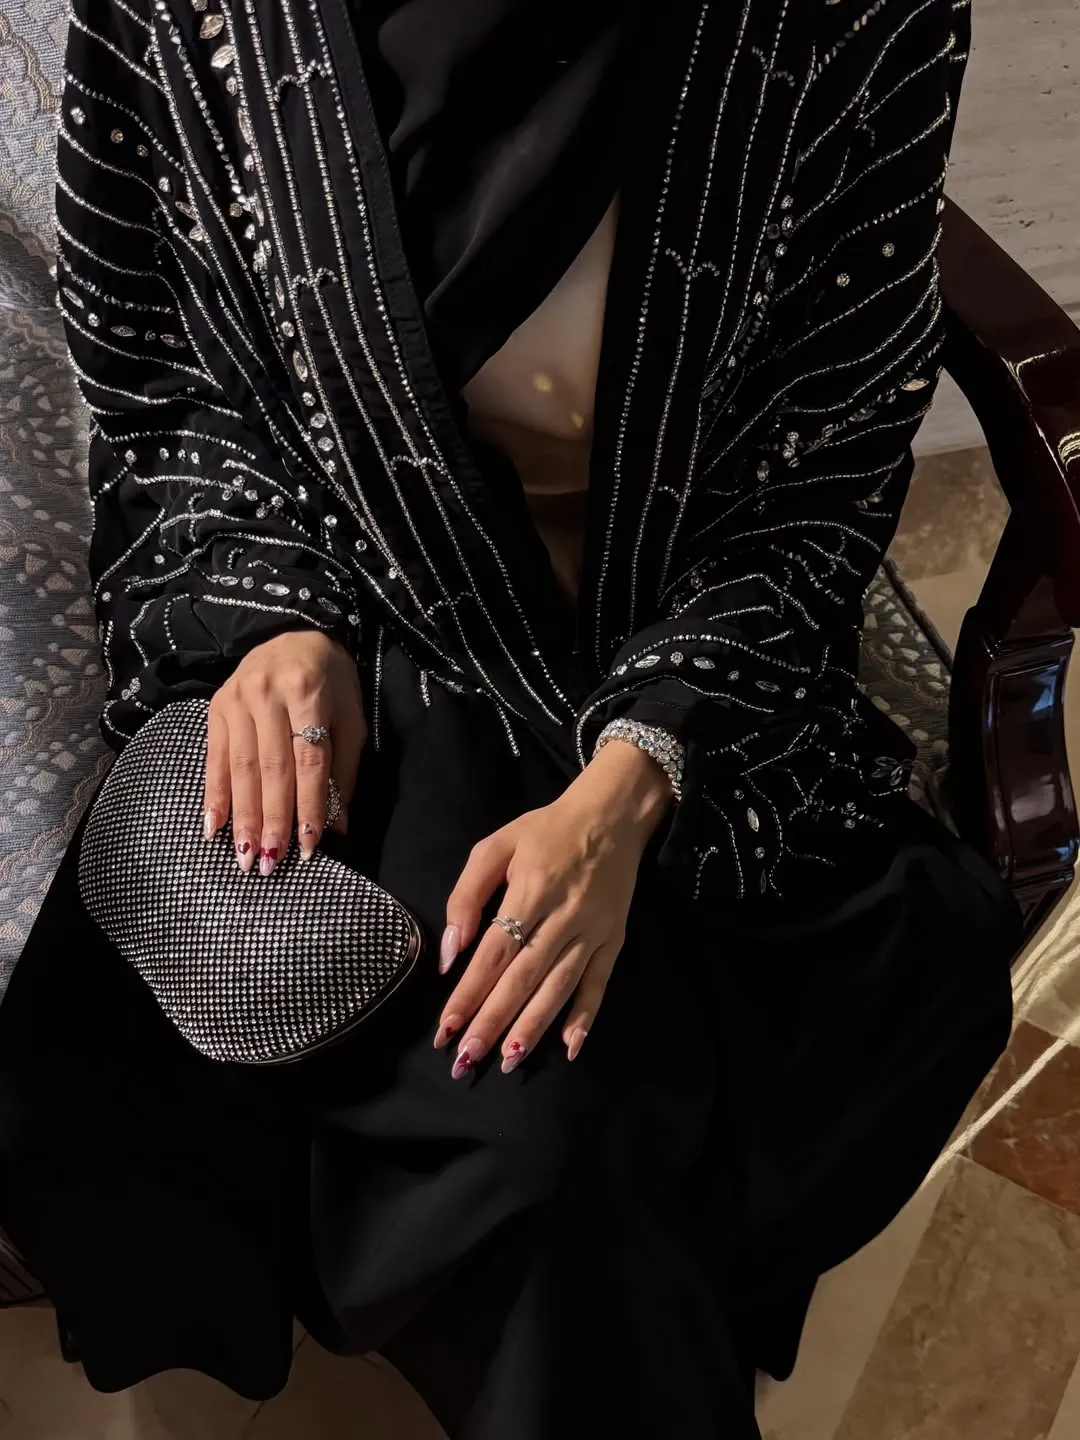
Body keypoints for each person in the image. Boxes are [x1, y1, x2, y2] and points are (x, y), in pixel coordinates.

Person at [0, 1, 1020, 1435]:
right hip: (374, 592)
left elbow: (829, 462)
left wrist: (636, 773)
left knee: (614, 1116)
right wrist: (274, 622)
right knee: (540, 1127)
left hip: (687, 617)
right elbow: (163, 370)